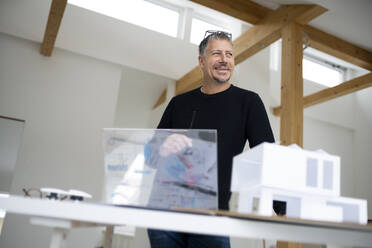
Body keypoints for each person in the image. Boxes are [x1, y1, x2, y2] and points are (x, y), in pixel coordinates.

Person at [147, 30, 275, 248]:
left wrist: (285, 209)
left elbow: (267, 157)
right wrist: (163, 147)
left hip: (212, 213)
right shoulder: (178, 103)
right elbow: (150, 156)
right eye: (216, 53)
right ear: (202, 61)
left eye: (229, 54)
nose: (224, 60)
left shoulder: (248, 102)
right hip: (166, 212)